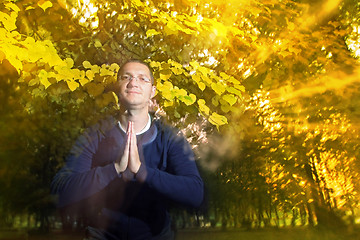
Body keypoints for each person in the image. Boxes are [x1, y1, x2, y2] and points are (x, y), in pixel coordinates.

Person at [51, 59, 204, 240]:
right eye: (126, 77)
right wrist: (114, 169)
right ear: (117, 88)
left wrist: (143, 172)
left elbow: (195, 193)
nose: (133, 83)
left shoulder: (170, 138)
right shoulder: (94, 136)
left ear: (152, 92)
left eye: (142, 79)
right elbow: (60, 189)